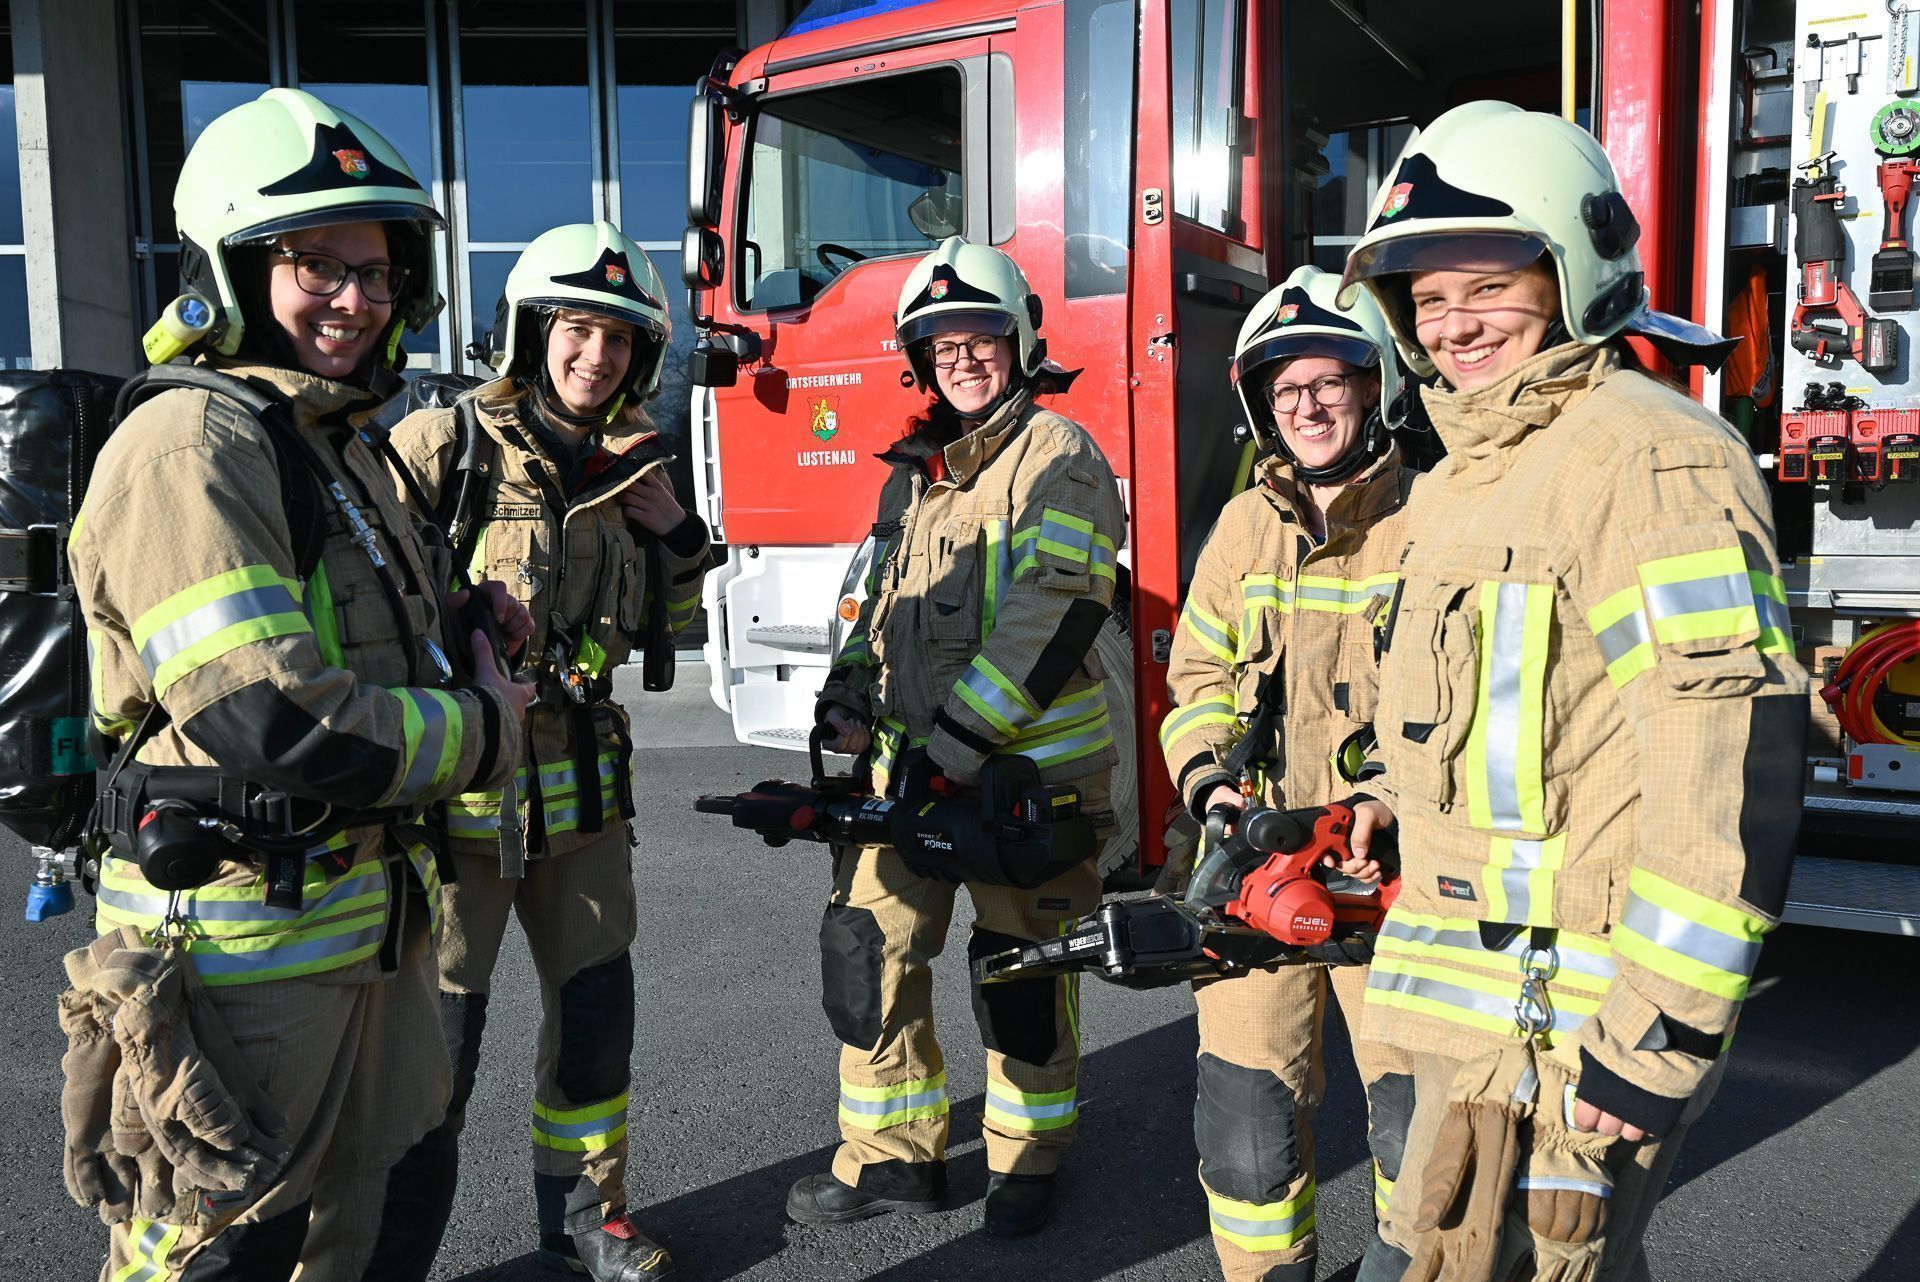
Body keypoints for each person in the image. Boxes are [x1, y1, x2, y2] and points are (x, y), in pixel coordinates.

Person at [1335, 101, 1808, 1281]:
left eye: (1488, 282)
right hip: (1458, 1011)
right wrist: (1390, 796)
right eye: (1425, 298)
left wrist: (1652, 1038)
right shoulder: (1457, 482)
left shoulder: (1652, 457)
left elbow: (1732, 770)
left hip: (1567, 1029)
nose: (1454, 324)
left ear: (1571, 268)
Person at [67, 87, 534, 1281]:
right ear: (230, 268)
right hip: (234, 961)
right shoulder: (191, 445)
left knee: (373, 1220)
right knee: (216, 1243)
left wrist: (466, 619)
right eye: (315, 263)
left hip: (358, 935)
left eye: (376, 274)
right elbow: (267, 714)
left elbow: (369, 639)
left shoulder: (334, 439)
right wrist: (485, 733)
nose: (355, 300)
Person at [384, 221, 710, 1282]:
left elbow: (674, 621)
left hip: (584, 805)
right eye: (577, 330)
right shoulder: (448, 443)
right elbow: (371, 600)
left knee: (594, 1024)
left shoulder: (640, 463)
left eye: (618, 339)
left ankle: (589, 1218)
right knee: (437, 1044)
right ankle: (391, 1251)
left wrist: (678, 540)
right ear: (532, 333)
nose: (597, 356)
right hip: (461, 803)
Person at [790, 236, 1127, 1237]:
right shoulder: (916, 476)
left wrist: (951, 751)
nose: (963, 357)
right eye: (941, 344)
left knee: (1020, 975)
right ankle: (893, 1157)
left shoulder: (1058, 455)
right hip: (913, 779)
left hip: (1025, 784)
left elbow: (1053, 611)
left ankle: (1029, 1161)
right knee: (866, 955)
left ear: (1020, 344)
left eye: (981, 337)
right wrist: (847, 695)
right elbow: (879, 603)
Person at [1160, 266, 1419, 1282]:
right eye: (1286, 389)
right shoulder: (1241, 528)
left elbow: (1470, 691)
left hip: (1390, 878)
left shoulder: (1434, 520)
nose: (1308, 406)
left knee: (1417, 1123)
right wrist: (1212, 786)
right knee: (1244, 1127)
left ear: (1372, 386)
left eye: (1329, 381)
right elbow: (1199, 676)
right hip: (1256, 870)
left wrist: (1384, 796)